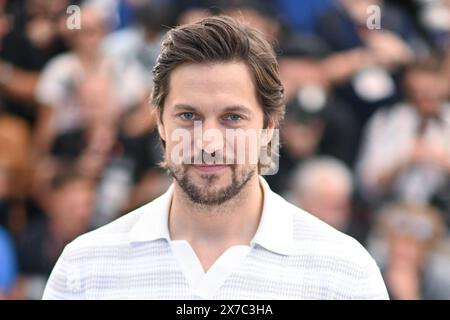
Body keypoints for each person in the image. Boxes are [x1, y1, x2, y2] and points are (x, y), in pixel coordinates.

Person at [43, 15, 388, 300]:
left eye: (232, 118)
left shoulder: (345, 271)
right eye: (188, 116)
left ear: (269, 126)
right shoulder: (85, 267)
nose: (208, 142)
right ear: (160, 122)